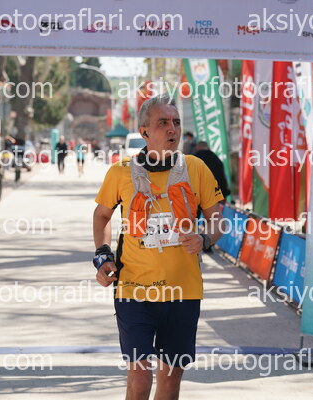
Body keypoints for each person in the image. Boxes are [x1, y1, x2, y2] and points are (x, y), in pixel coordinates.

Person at [93, 95, 224, 400]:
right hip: (134, 289)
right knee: (140, 378)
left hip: (183, 290)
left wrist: (204, 238)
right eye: (162, 122)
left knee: (170, 379)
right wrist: (103, 255)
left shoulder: (196, 168)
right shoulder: (121, 172)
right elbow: (101, 215)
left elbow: (217, 218)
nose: (172, 129)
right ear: (144, 132)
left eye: (176, 122)